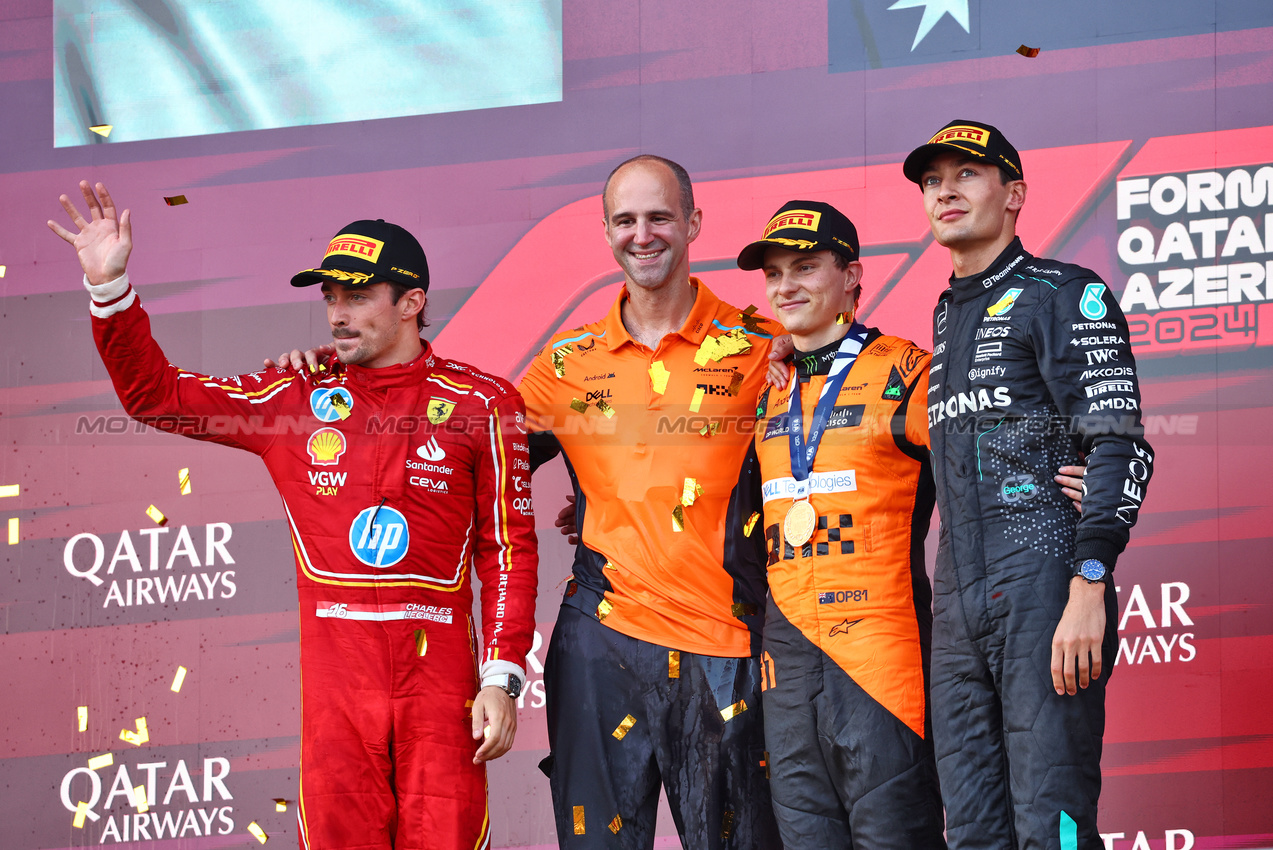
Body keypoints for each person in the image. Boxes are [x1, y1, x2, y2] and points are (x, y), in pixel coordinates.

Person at [49, 182, 539, 850]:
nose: (336, 314)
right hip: (338, 697)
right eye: (330, 297)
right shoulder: (293, 396)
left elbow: (506, 549)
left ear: (412, 303)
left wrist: (501, 679)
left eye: (357, 296)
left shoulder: (483, 401)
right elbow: (155, 396)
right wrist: (110, 288)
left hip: (442, 690)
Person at [517, 156, 783, 849]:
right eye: (625, 220)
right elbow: (463, 459)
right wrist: (353, 378)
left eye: (659, 216)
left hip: (725, 646)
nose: (643, 235)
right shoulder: (564, 364)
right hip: (600, 647)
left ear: (692, 223)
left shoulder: (760, 347)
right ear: (605, 232)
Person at [903, 120, 1154, 850]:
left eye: (966, 175)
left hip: (1045, 588)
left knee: (1052, 825)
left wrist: (1087, 586)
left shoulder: (1062, 292)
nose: (944, 191)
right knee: (974, 833)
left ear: (1013, 194)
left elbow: (1118, 443)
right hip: (957, 608)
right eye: (931, 181)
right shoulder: (946, 314)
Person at [741, 200, 947, 849]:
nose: (785, 286)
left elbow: (987, 458)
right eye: (774, 273)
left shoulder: (906, 370)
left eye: (804, 267)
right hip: (787, 670)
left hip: (880, 662)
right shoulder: (760, 388)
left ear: (851, 275)